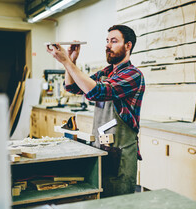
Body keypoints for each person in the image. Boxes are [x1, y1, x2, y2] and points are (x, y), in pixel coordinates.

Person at [47, 25, 145, 197]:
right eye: (107, 41)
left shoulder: (133, 74)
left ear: (128, 46)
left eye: (114, 41)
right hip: (100, 150)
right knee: (98, 201)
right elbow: (72, 87)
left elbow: (97, 92)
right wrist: (72, 60)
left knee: (118, 206)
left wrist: (66, 62)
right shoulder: (106, 72)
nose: (108, 45)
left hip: (120, 155)